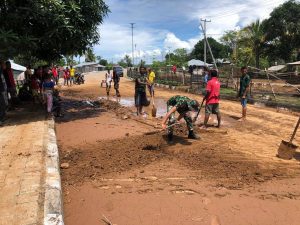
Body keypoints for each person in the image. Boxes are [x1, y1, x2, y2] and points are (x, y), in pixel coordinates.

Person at [0, 61, 8, 126]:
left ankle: (2, 118)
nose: (4, 65)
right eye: (3, 64)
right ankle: (1, 119)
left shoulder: (2, 71)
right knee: (2, 104)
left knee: (3, 104)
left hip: (3, 89)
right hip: (1, 90)